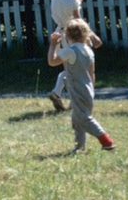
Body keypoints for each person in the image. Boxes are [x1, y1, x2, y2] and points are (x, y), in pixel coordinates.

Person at [47, 18, 115, 154]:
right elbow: (91, 73)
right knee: (77, 120)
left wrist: (53, 45)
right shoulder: (89, 51)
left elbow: (52, 62)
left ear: (67, 35)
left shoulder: (70, 51)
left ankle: (106, 141)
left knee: (84, 119)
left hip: (77, 91)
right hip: (87, 89)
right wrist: (91, 89)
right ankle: (79, 146)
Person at [46, 0, 102, 112]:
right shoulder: (72, 2)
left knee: (68, 68)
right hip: (74, 35)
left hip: (60, 34)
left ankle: (57, 91)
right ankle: (81, 99)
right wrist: (93, 36)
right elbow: (78, 19)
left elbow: (66, 6)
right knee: (84, 70)